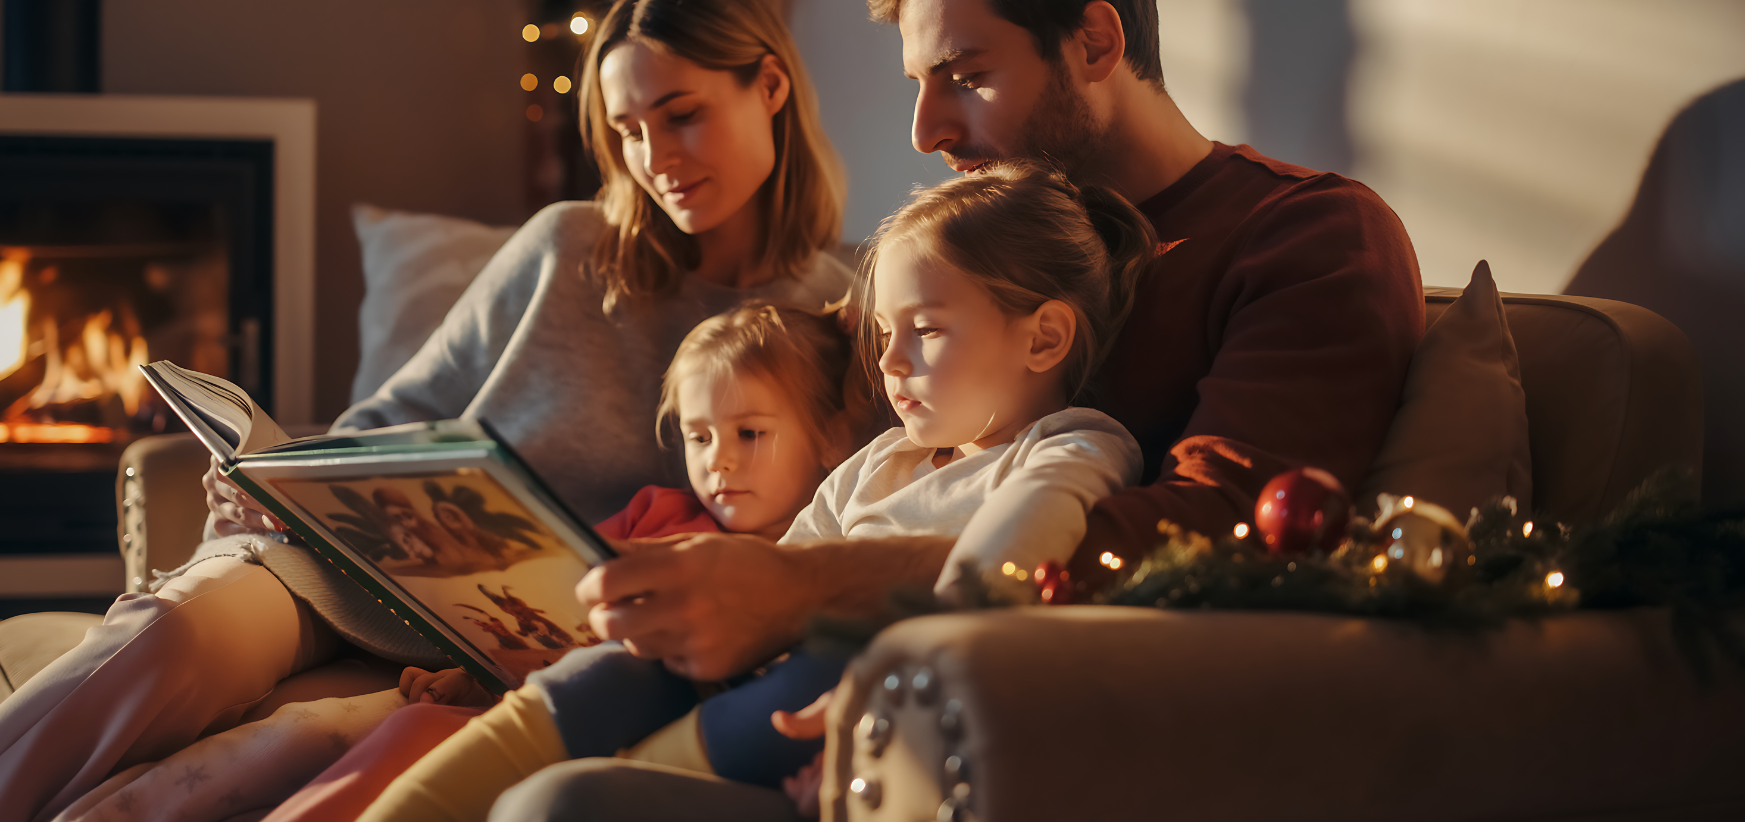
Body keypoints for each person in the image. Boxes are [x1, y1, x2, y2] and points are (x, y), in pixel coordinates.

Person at [502, 0, 1424, 819]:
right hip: (826, 689)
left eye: (966, 74)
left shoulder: (1304, 240)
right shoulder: (960, 267)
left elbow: (1222, 539)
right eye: (919, 80)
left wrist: (812, 586)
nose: (925, 128)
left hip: (1030, 728)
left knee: (558, 810)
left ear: (1096, 45)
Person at [0, 0, 854, 822]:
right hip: (371, 569)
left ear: (767, 84)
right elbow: (386, 423)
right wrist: (280, 478)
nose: (656, 159)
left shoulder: (834, 313)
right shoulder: (568, 248)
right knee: (174, 629)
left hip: (538, 651)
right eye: (629, 131)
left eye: (681, 114)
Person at [354, 162, 1154, 822]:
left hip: (861, 700)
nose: (892, 362)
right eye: (883, 334)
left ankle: (611, 773)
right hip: (764, 676)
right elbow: (782, 574)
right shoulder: (881, 461)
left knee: (789, 685)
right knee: (617, 669)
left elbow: (1016, 546)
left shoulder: (1072, 444)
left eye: (928, 329)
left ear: (1044, 336)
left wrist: (894, 672)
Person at [254, 302, 868, 822]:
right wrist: (475, 666)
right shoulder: (654, 513)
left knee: (420, 741)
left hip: (619, 740)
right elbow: (540, 593)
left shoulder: (812, 567)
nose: (719, 462)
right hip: (526, 705)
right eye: (699, 436)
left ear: (833, 437)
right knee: (401, 732)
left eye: (750, 434)